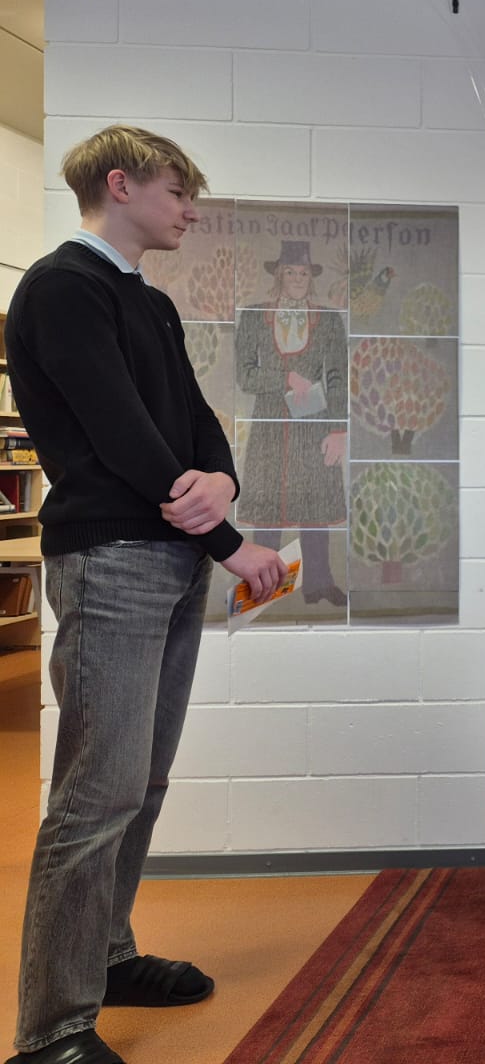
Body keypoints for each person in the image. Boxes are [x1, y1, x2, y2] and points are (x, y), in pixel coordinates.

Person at [4, 126, 288, 1064]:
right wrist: (228, 539)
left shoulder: (149, 302)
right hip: (113, 558)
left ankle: (107, 957)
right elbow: (120, 430)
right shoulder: (62, 287)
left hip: (168, 558)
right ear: (120, 185)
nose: (190, 211)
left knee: (143, 781)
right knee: (95, 794)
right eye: (178, 192)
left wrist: (224, 481)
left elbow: (197, 420)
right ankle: (51, 1030)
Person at [235, 240, 349, 607]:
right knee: (268, 505)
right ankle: (261, 590)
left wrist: (339, 429)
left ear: (311, 277)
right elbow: (245, 376)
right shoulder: (254, 316)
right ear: (279, 276)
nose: (297, 279)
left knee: (315, 507)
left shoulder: (328, 320)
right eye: (290, 272)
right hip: (269, 426)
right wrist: (285, 378)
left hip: (313, 424)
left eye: (303, 273)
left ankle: (318, 585)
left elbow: (337, 378)